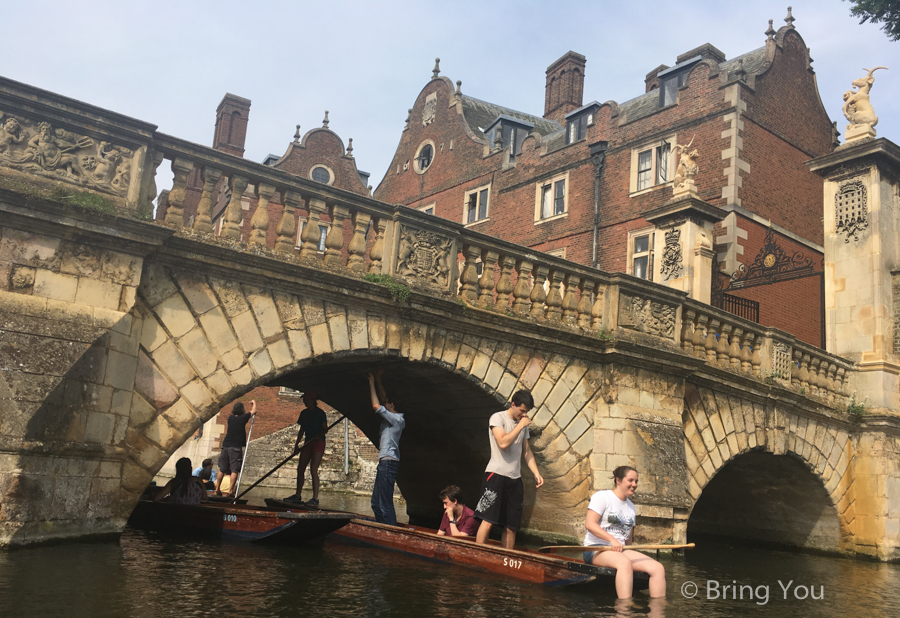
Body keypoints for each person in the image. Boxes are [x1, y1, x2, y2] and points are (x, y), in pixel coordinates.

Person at [583, 465, 666, 599]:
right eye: (630, 480)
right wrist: (612, 540)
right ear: (618, 481)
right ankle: (625, 607)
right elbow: (590, 524)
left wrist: (625, 546)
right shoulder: (602, 497)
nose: (634, 484)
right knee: (624, 563)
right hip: (596, 549)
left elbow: (627, 540)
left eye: (636, 481)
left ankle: (658, 609)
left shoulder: (631, 507)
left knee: (657, 568)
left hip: (620, 551)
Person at [474, 389, 544, 549]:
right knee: (488, 520)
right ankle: (478, 553)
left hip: (514, 479)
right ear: (513, 404)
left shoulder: (522, 425)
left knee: (511, 526)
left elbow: (526, 451)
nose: (524, 415)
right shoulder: (498, 418)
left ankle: (507, 558)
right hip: (495, 475)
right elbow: (503, 443)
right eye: (522, 411)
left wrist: (536, 473)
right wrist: (520, 426)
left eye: (526, 412)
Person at [367, 369, 405, 526]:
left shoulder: (396, 419)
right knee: (375, 502)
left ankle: (390, 530)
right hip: (384, 463)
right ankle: (381, 527)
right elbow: (383, 399)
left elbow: (376, 405)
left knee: (384, 502)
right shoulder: (392, 416)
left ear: (392, 405)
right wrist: (378, 380)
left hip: (389, 463)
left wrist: (371, 383)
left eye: (387, 403)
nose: (384, 403)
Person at [285, 391, 328, 506]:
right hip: (307, 442)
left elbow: (325, 429)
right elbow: (302, 430)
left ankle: (315, 498)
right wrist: (296, 445)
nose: (304, 401)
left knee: (313, 469)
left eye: (306, 400)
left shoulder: (320, 413)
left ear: (312, 400)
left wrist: (319, 434)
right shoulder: (304, 413)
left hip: (318, 442)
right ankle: (297, 495)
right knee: (300, 469)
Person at [214, 400, 257, 497]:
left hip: (225, 446)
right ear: (242, 410)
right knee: (234, 470)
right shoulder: (243, 418)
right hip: (235, 447)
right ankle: (230, 491)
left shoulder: (230, 418)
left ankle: (217, 489)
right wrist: (254, 403)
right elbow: (253, 411)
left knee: (222, 469)